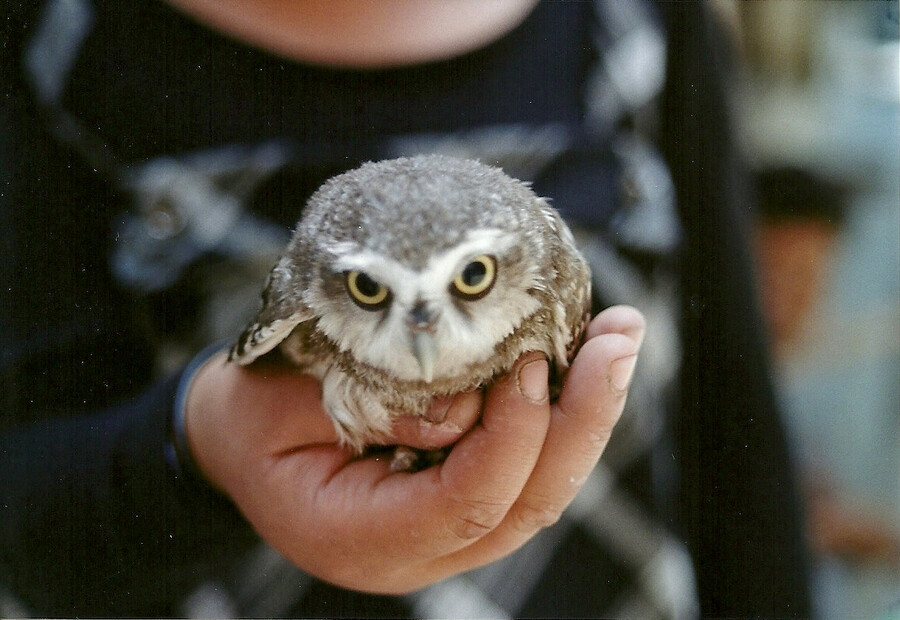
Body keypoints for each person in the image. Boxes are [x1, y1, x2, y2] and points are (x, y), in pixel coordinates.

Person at [0, 0, 812, 616]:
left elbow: (736, 442)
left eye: (472, 280)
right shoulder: (50, 45)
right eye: (366, 291)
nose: (424, 335)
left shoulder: (640, 21)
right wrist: (197, 445)